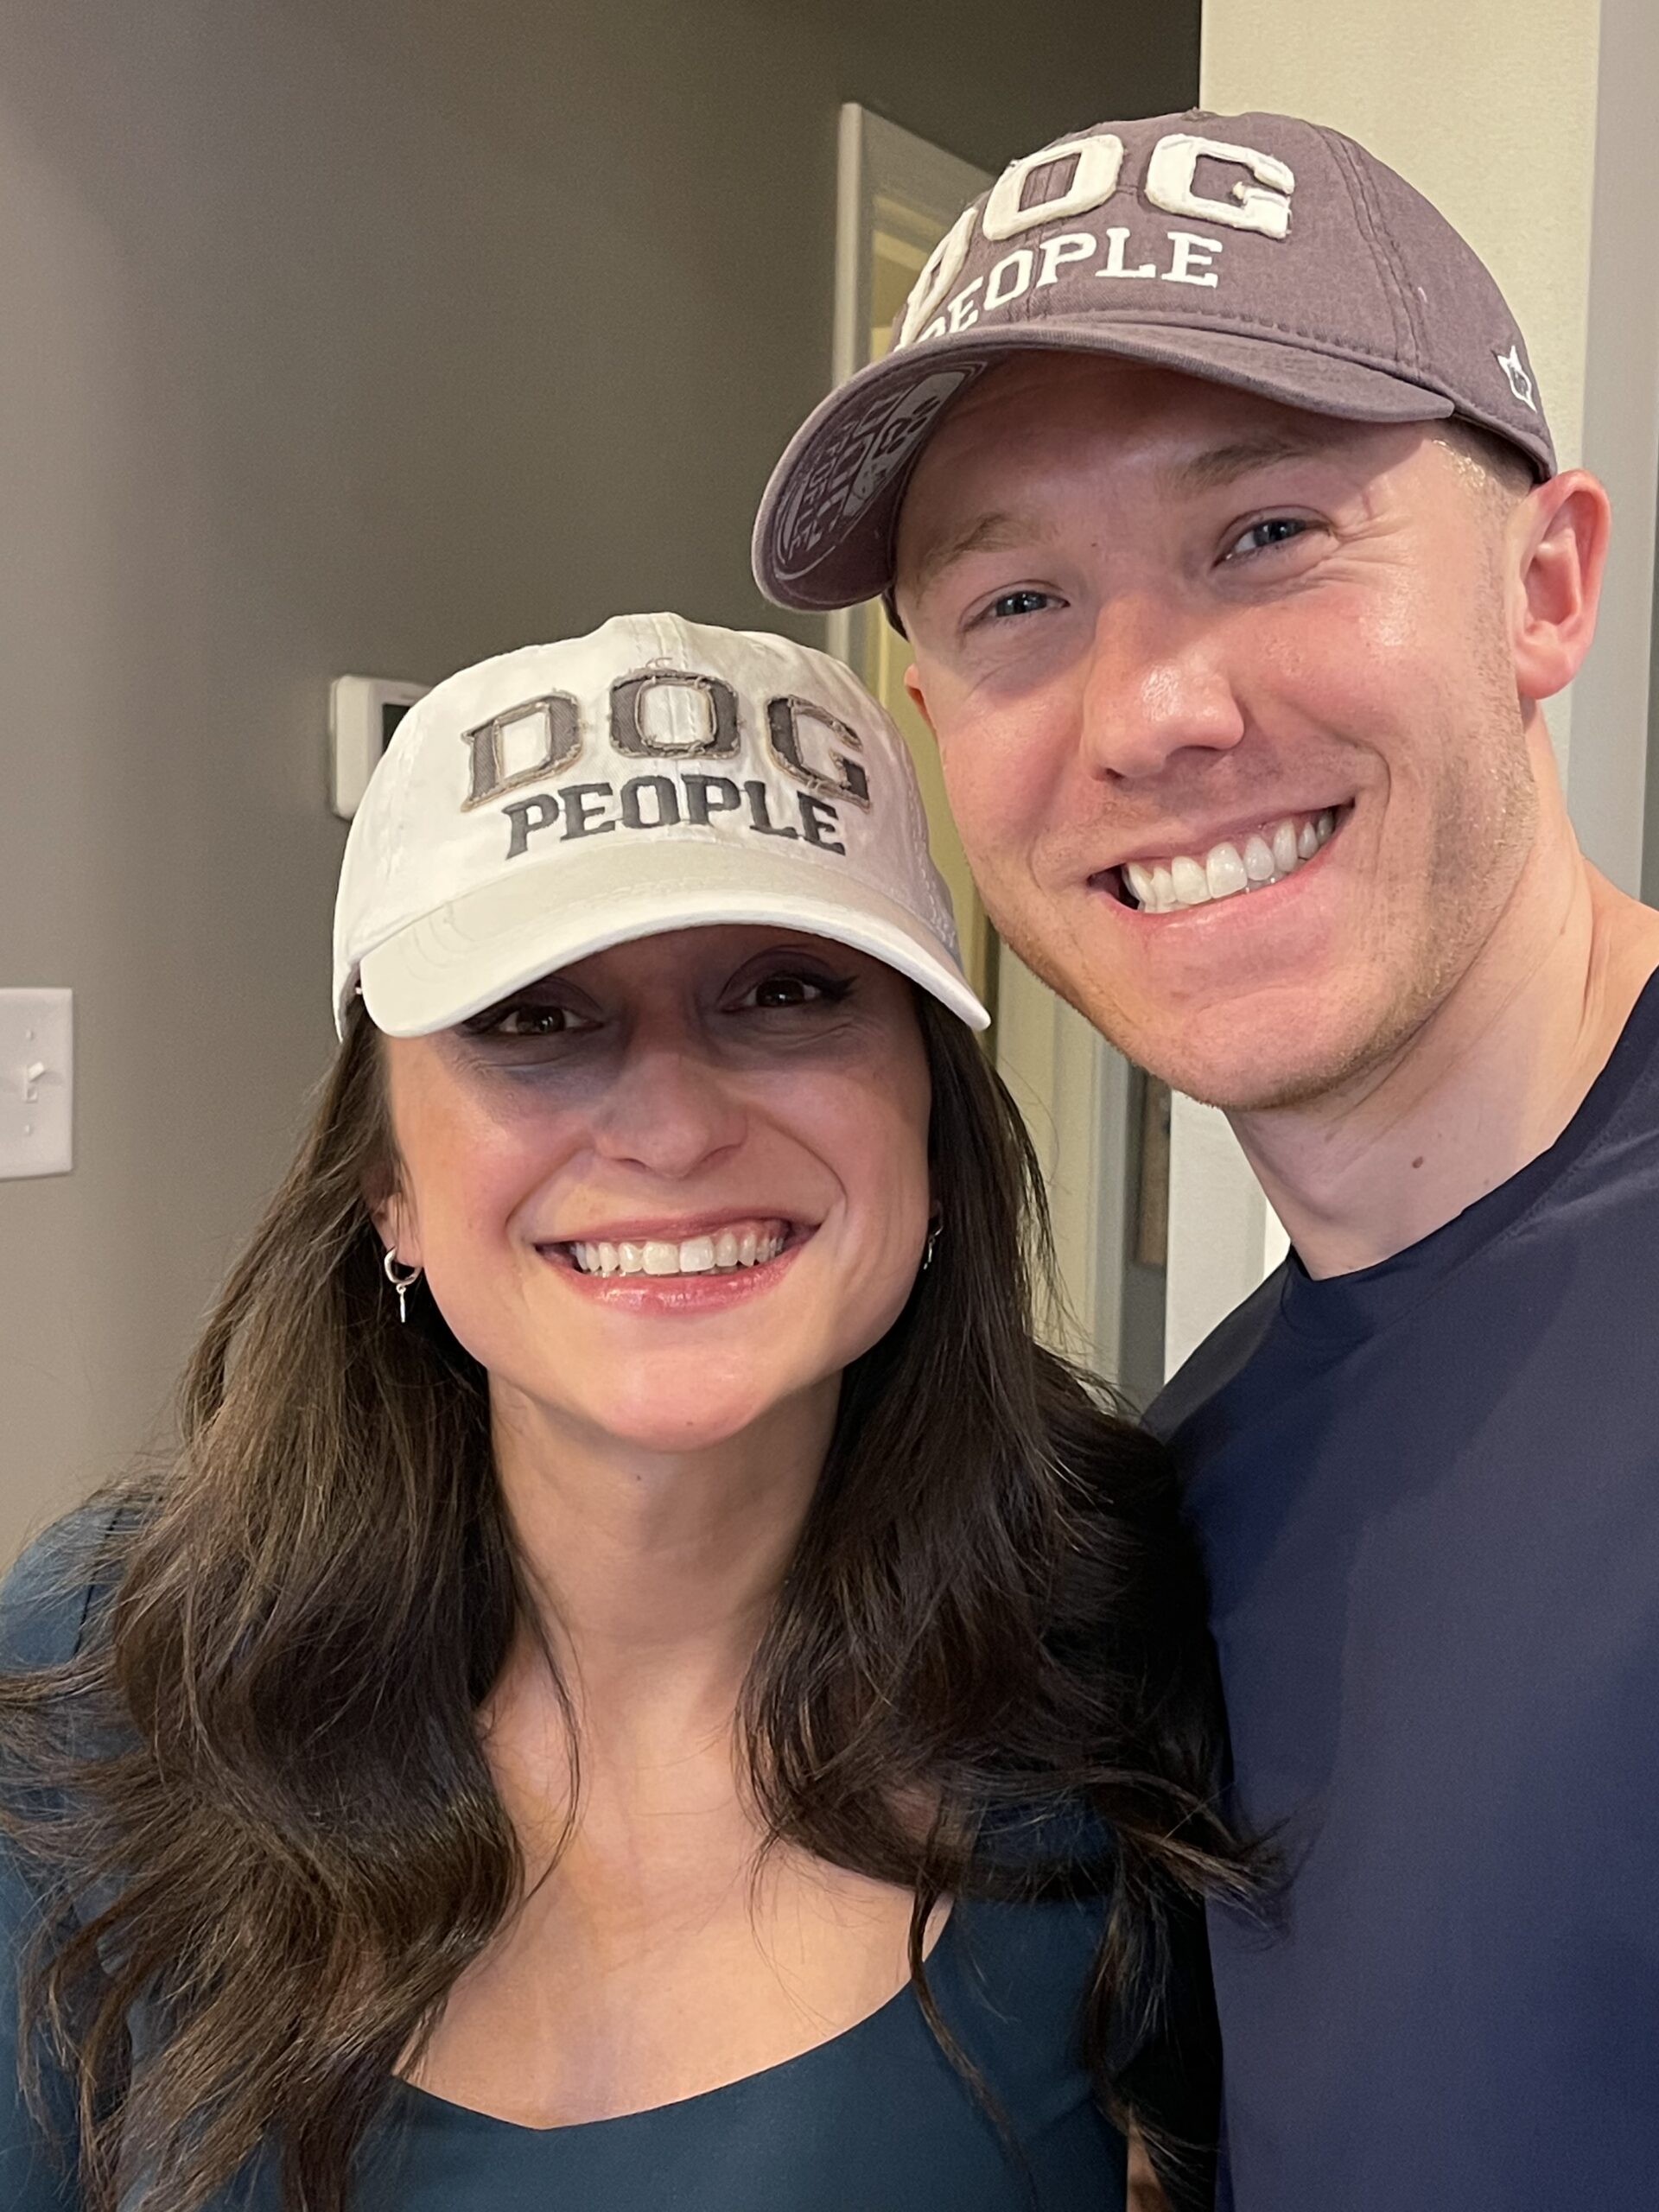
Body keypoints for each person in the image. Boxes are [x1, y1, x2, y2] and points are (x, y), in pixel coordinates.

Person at [0, 614, 1253, 2212]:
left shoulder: (1124, 1655)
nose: (669, 1128)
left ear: (932, 1128)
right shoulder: (113, 1663)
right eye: (535, 1017)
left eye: (786, 991)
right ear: (386, 1180)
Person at [753, 108, 1659, 2212]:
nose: (1153, 707)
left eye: (1267, 532)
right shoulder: (1187, 1484)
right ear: (935, 732)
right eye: (1020, 598)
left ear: (1545, 587)